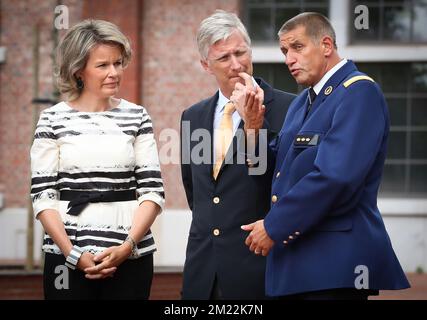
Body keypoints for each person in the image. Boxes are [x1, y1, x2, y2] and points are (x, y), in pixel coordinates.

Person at [233, 12, 410, 300]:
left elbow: (336, 177)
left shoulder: (358, 92)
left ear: (326, 45)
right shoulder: (303, 102)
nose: (289, 58)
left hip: (334, 267)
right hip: (295, 266)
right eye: (284, 51)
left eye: (297, 47)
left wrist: (274, 226)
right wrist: (253, 128)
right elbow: (272, 172)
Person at [30, 19, 164, 299]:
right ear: (78, 71)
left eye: (118, 63)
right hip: (65, 259)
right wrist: (72, 254)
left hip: (132, 257)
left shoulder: (137, 116)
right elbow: (43, 196)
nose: (114, 72)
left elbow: (153, 192)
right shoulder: (51, 119)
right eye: (103, 65)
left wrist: (126, 248)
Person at [180, 10, 295, 300]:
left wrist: (255, 128)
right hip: (202, 272)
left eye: (240, 53)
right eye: (223, 58)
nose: (236, 64)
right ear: (206, 65)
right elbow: (197, 195)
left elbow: (279, 185)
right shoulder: (192, 117)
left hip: (260, 270)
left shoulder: (291, 109)